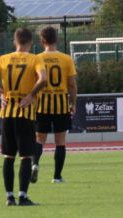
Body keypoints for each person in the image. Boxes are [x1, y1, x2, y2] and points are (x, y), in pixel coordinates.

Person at [0, 28, 46, 206]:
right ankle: (23, 196)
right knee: (26, 156)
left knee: (8, 156)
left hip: (8, 113)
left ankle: (9, 196)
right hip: (26, 112)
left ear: (15, 42)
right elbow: (43, 79)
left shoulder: (3, 59)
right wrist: (31, 95)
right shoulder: (35, 59)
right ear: (31, 43)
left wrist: (2, 92)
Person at [31, 27, 77, 184]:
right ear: (56, 39)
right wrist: (73, 102)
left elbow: (33, 83)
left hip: (41, 104)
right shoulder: (66, 59)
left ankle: (35, 164)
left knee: (39, 139)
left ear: (42, 41)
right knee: (60, 141)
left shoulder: (36, 58)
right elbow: (71, 85)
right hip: (61, 104)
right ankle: (57, 176)